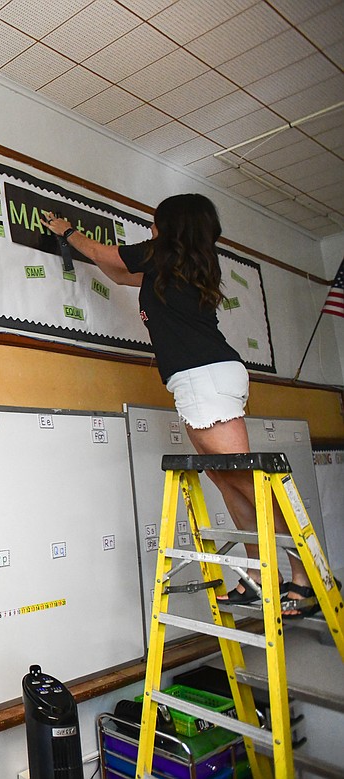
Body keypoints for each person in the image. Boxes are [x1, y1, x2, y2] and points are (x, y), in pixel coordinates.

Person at [40, 195, 317, 617]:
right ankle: (261, 578)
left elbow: (103, 253)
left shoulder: (163, 254)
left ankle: (305, 579)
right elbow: (116, 274)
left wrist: (67, 232)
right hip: (198, 380)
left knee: (247, 485)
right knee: (228, 484)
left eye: (155, 224)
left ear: (172, 227)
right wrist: (84, 249)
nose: (149, 231)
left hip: (205, 378)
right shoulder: (174, 266)